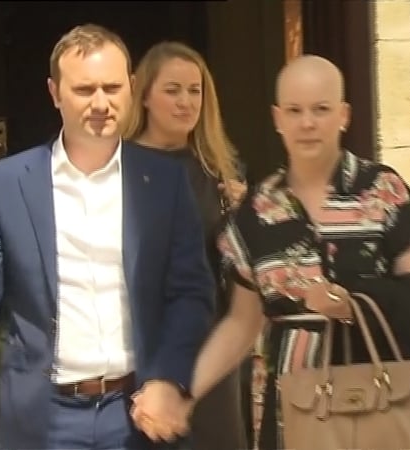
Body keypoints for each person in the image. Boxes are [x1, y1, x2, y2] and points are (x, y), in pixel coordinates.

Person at [131, 54, 410, 449]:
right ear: (277, 119)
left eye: (321, 110)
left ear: (343, 115)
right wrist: (183, 393)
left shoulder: (382, 192)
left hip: (383, 407)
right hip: (292, 414)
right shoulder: (257, 210)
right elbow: (241, 325)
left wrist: (354, 304)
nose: (307, 122)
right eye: (294, 111)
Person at [0, 24, 215, 450]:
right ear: (55, 93)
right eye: (85, 90)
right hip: (44, 418)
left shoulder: (165, 182)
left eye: (111, 87)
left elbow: (192, 293)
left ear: (131, 87)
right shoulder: (4, 185)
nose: (101, 103)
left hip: (137, 411)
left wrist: (169, 377)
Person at [123, 41, 251, 450]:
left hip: (209, 346)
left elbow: (238, 272)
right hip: (137, 341)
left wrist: (243, 218)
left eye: (194, 91)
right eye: (172, 90)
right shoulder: (117, 166)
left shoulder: (220, 169)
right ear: (144, 95)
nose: (185, 102)